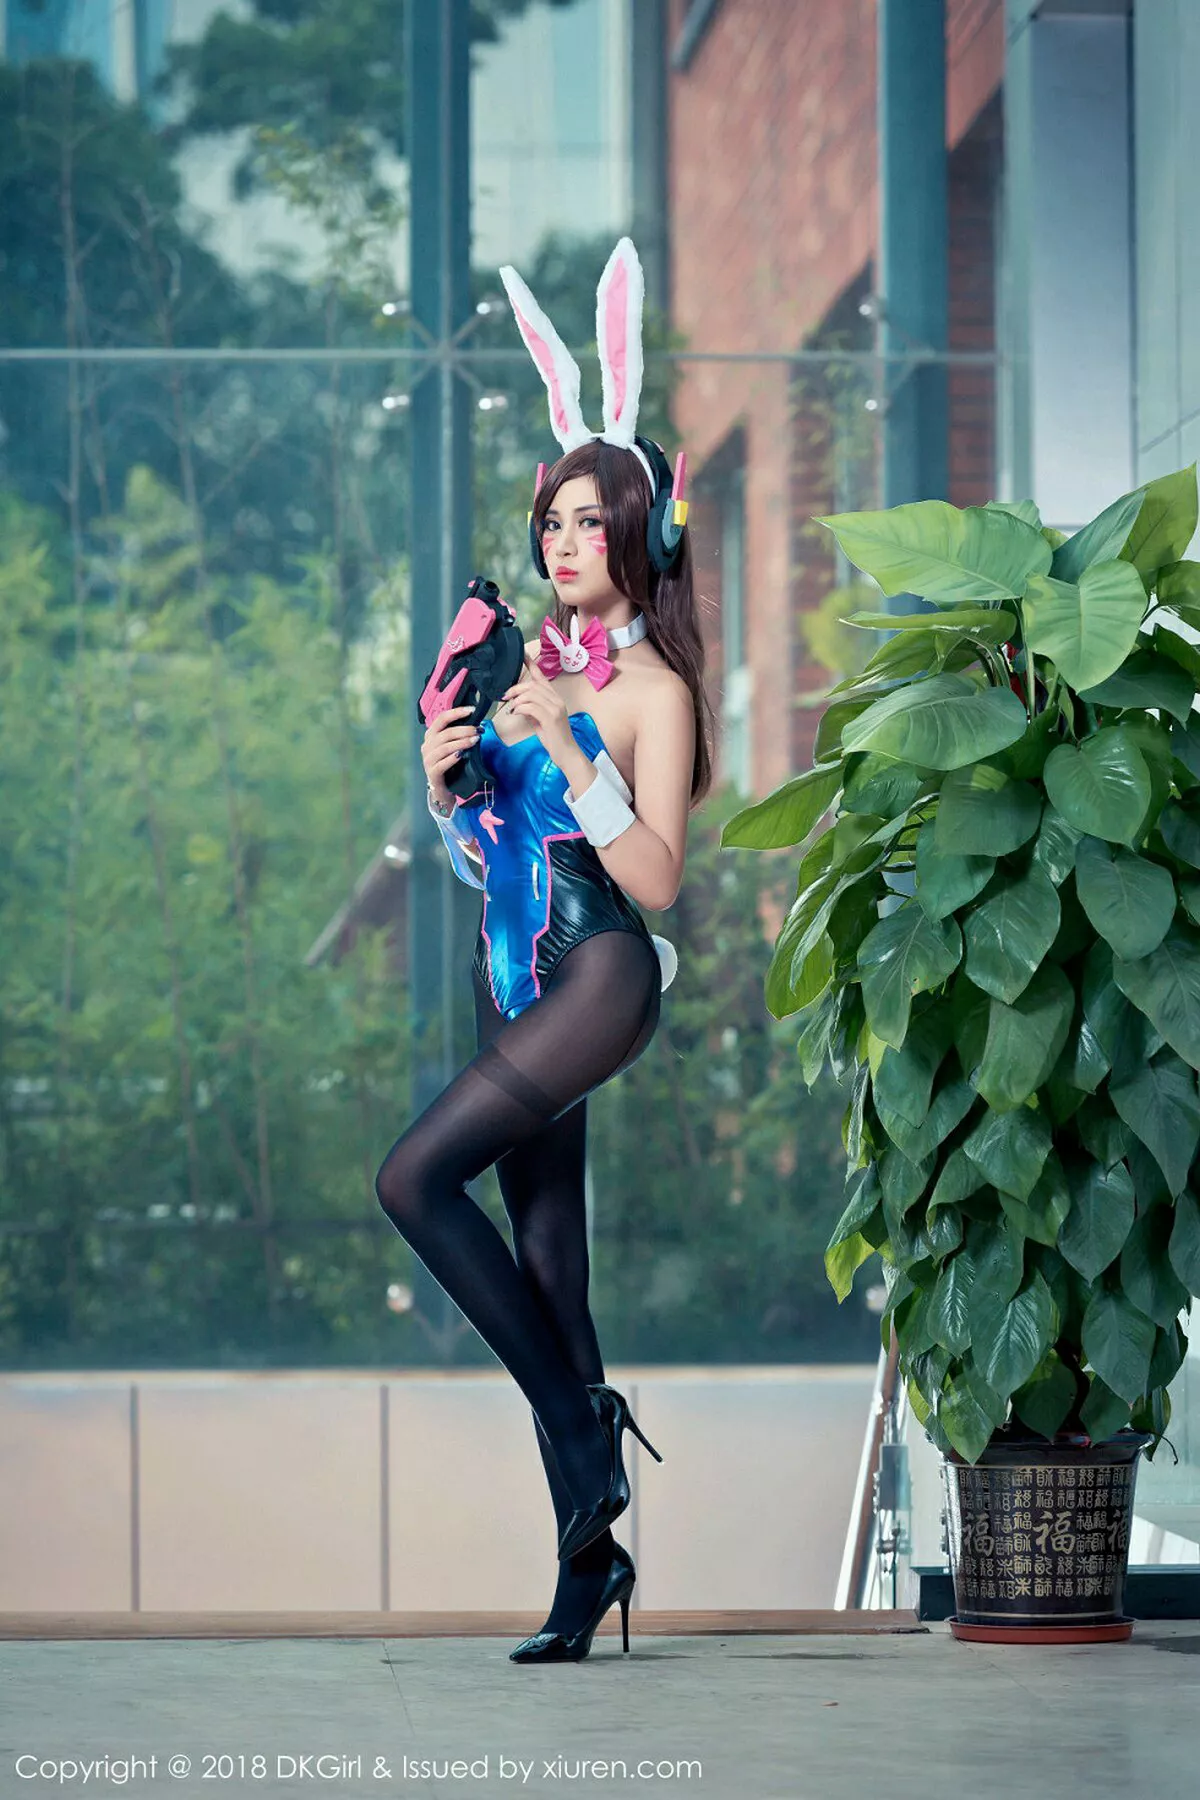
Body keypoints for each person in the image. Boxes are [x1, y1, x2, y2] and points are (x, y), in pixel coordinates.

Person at [375, 240, 713, 1664]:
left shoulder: (649, 689)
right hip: (511, 972)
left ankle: (582, 1430)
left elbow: (656, 878)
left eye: (589, 521)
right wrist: (450, 782)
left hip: (598, 972)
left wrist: (572, 742)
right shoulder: (521, 673)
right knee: (551, 1266)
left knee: (411, 1180)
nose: (562, 543)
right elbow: (487, 858)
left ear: (637, 535)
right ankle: (590, 1565)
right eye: (553, 522)